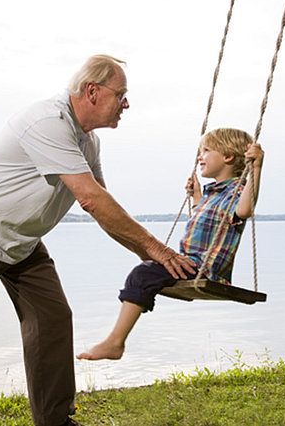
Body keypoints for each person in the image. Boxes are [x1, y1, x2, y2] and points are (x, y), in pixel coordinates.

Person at [0, 55, 196, 426]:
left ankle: (55, 421)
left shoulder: (88, 142)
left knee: (52, 319)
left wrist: (155, 259)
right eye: (121, 94)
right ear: (92, 91)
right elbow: (91, 201)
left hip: (22, 245)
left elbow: (105, 209)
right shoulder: (48, 121)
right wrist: (157, 249)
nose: (126, 103)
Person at [77, 128, 264, 361]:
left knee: (143, 273)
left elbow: (244, 210)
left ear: (228, 157)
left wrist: (256, 168)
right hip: (191, 264)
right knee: (147, 265)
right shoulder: (212, 194)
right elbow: (208, 223)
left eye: (206, 151)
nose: (200, 157)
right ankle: (117, 338)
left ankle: (115, 342)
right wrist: (196, 196)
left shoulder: (236, 191)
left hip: (204, 270)